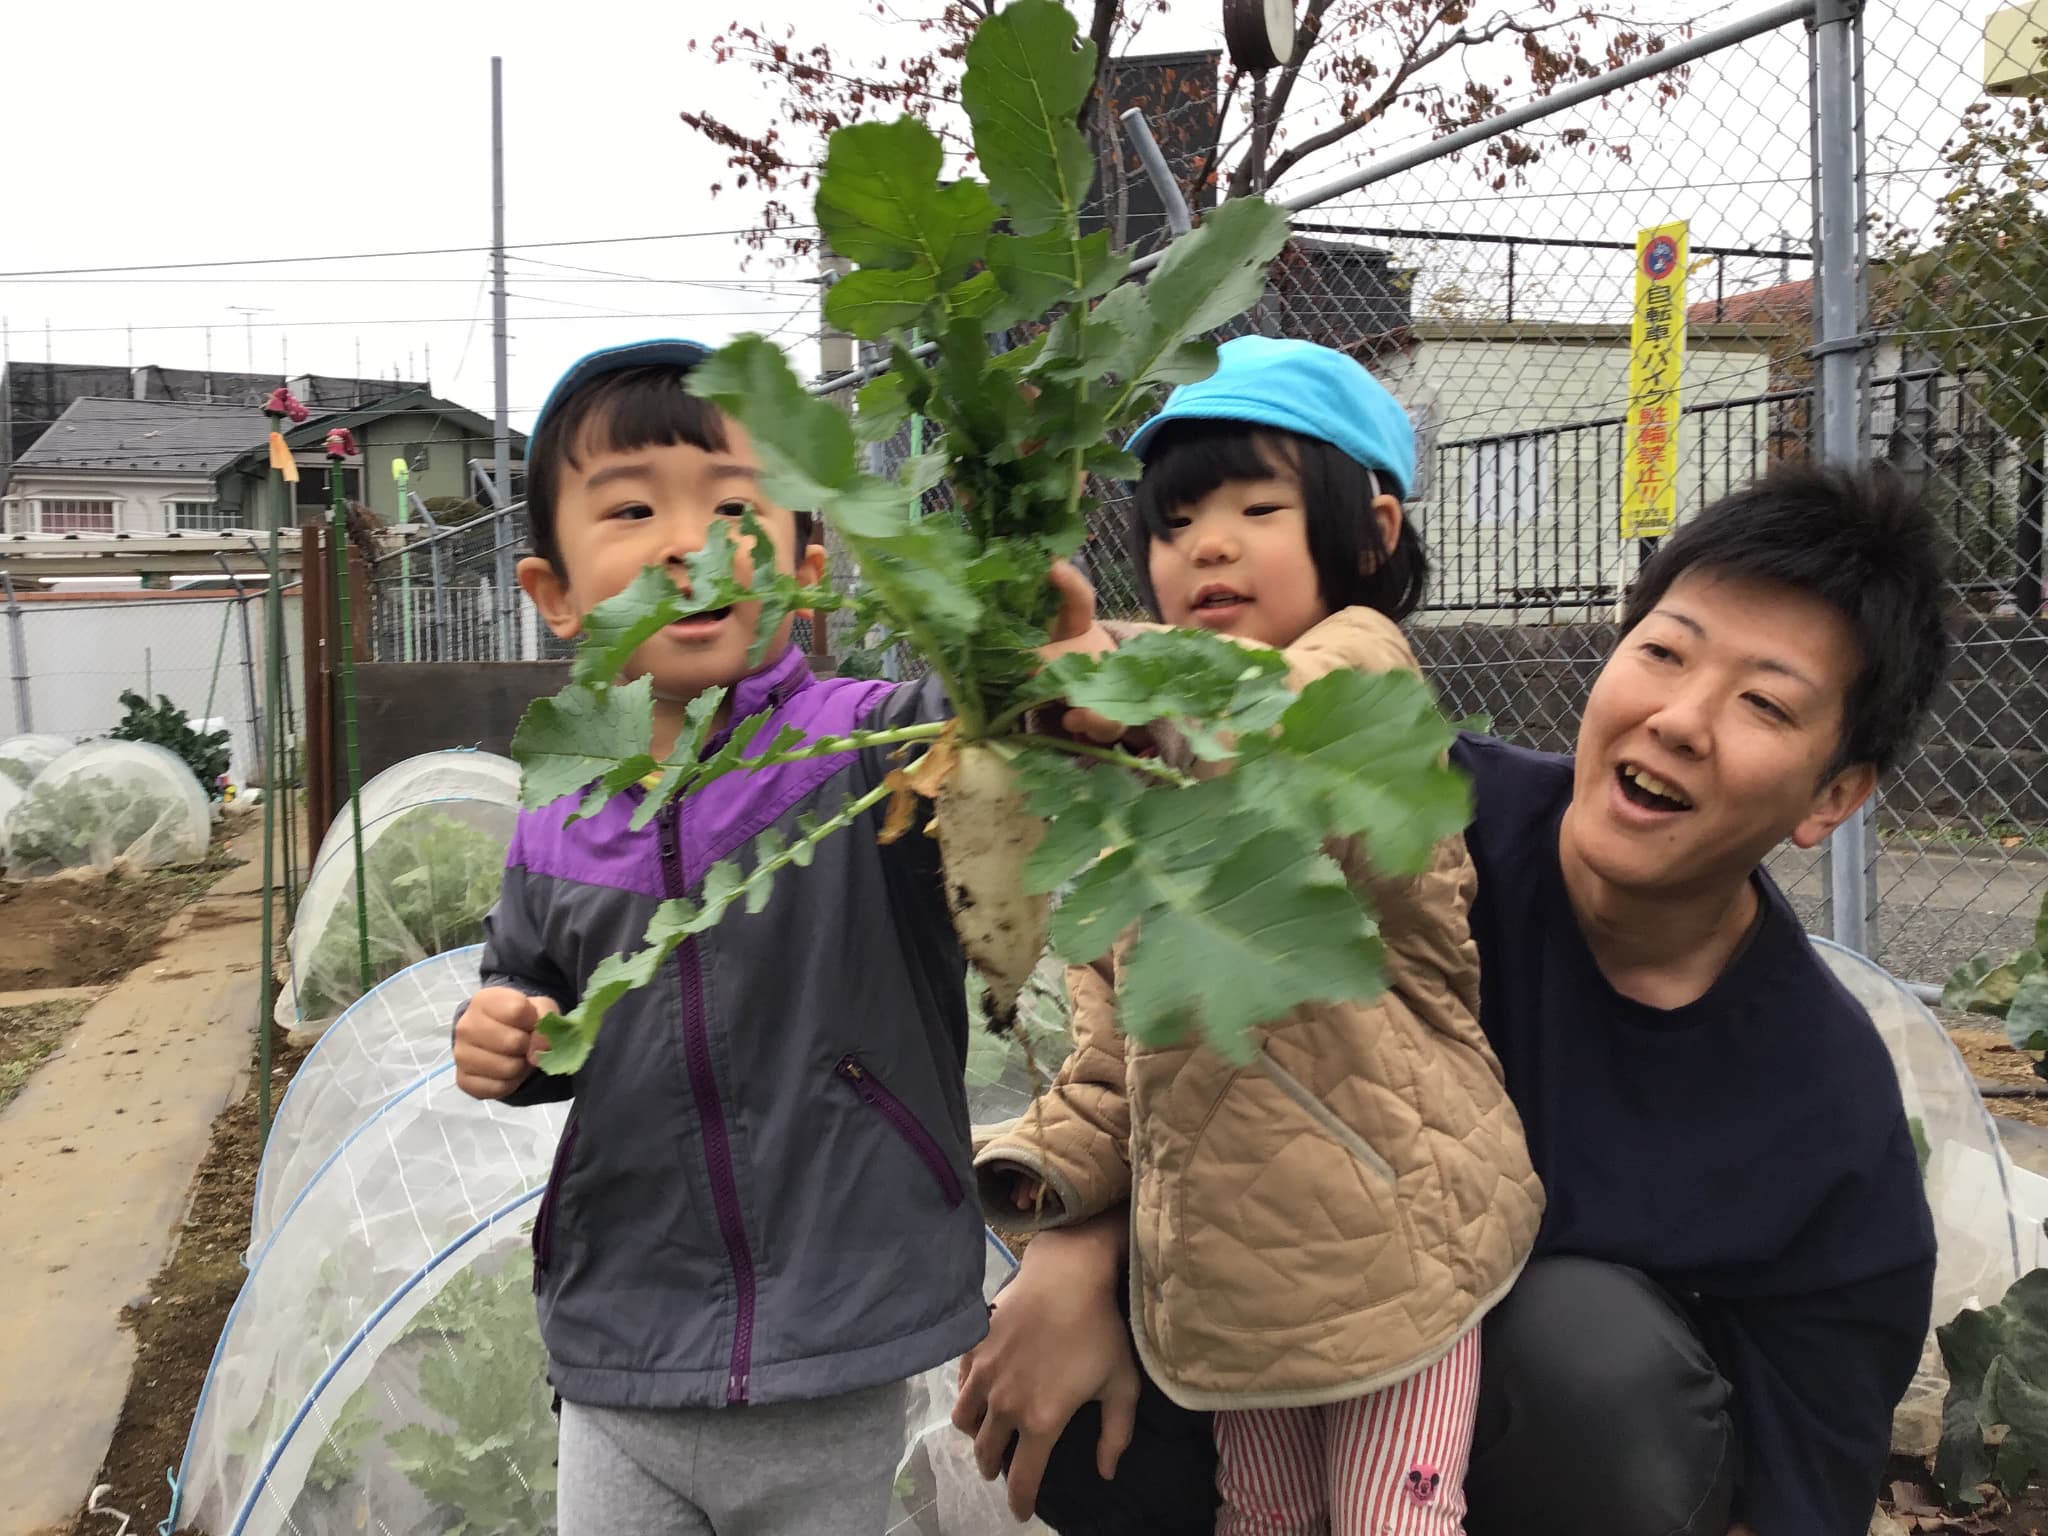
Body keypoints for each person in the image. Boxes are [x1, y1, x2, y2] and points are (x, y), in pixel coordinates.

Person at [954, 459, 1947, 1536]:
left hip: (1571, 1462)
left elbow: (1809, 1466)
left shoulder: (1822, 1104)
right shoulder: (1405, 823)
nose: (1678, 718)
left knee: (1580, 1352)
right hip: (1297, 1365)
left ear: (1833, 795)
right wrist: (1079, 1246)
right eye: (1662, 652)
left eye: (1762, 702)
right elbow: (1179, 1001)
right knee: (1051, 1383)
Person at [449, 338, 1103, 1536]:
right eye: (635, 507)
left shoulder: (871, 752)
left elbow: (1007, 729)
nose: (690, 544)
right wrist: (502, 1034)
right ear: (554, 595)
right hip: (619, 1345)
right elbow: (531, 989)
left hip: (835, 1336)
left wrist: (1049, 682)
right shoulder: (554, 811)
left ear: (806, 566)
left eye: (735, 510)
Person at [976, 336, 1545, 1535]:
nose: (1209, 544)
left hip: (1397, 1251)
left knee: (1397, 1521)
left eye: (1256, 506)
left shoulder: (1356, 682)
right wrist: (1051, 1180)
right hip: (1233, 1287)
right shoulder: (1136, 787)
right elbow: (1112, 1047)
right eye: (1176, 525)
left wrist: (1116, 678)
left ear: (1371, 534)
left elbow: (1261, 727)